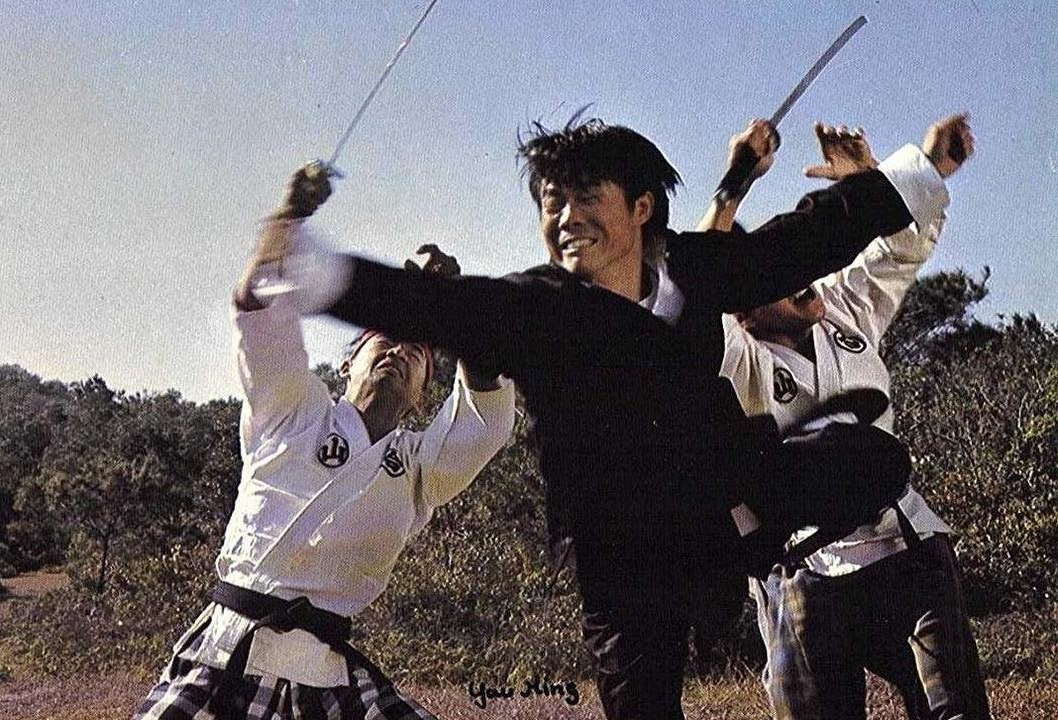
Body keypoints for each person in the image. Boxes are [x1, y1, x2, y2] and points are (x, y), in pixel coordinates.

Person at [257, 114, 970, 719]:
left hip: (727, 497)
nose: (567, 219)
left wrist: (922, 168)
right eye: (552, 203)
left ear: (640, 208)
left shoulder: (691, 267)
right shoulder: (544, 307)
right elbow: (449, 309)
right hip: (623, 556)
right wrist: (308, 265)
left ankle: (811, 557)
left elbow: (800, 241)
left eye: (586, 198)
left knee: (873, 459)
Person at [130, 180, 517, 720]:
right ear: (347, 363)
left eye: (418, 351)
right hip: (227, 656)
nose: (400, 351)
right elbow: (259, 309)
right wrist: (288, 215)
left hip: (329, 678)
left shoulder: (420, 469)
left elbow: (485, 419)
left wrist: (454, 307)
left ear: (424, 392)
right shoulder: (292, 408)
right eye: (386, 337)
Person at [708, 117, 990, 720]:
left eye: (799, 264)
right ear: (744, 314)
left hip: (903, 541)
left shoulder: (842, 308)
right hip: (803, 567)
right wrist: (736, 182)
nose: (803, 278)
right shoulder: (737, 360)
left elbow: (899, 251)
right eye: (776, 277)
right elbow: (692, 297)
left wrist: (883, 179)